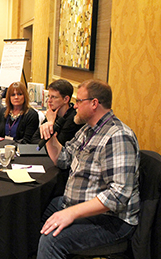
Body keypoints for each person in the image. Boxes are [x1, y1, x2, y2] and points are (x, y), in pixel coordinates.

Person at [37, 79, 140, 259]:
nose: (75, 106)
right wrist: (50, 136)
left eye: (78, 101)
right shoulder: (88, 131)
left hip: (111, 220)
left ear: (94, 103)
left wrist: (70, 213)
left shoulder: (117, 137)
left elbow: (118, 195)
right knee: (38, 208)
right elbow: (63, 159)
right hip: (78, 204)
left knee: (51, 239)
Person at [31, 79, 83, 145]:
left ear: (66, 99)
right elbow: (34, 139)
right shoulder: (52, 113)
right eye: (48, 96)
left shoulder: (73, 118)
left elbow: (57, 147)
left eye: (54, 97)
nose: (49, 101)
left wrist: (51, 123)